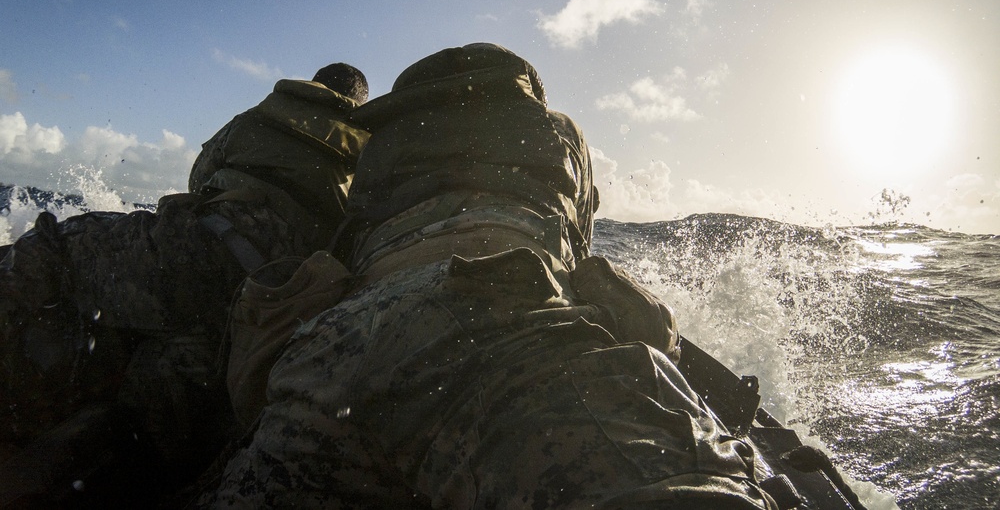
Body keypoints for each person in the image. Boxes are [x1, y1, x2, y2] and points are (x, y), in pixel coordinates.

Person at [200, 44, 777, 509]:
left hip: (333, 349)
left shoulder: (381, 143)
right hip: (503, 325)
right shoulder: (560, 134)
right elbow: (578, 249)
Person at [0, 64, 370, 504]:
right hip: (273, 296)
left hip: (198, 247)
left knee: (51, 247)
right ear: (360, 102)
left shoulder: (261, 116)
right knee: (171, 386)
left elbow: (200, 177)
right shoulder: (367, 151)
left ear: (313, 84)